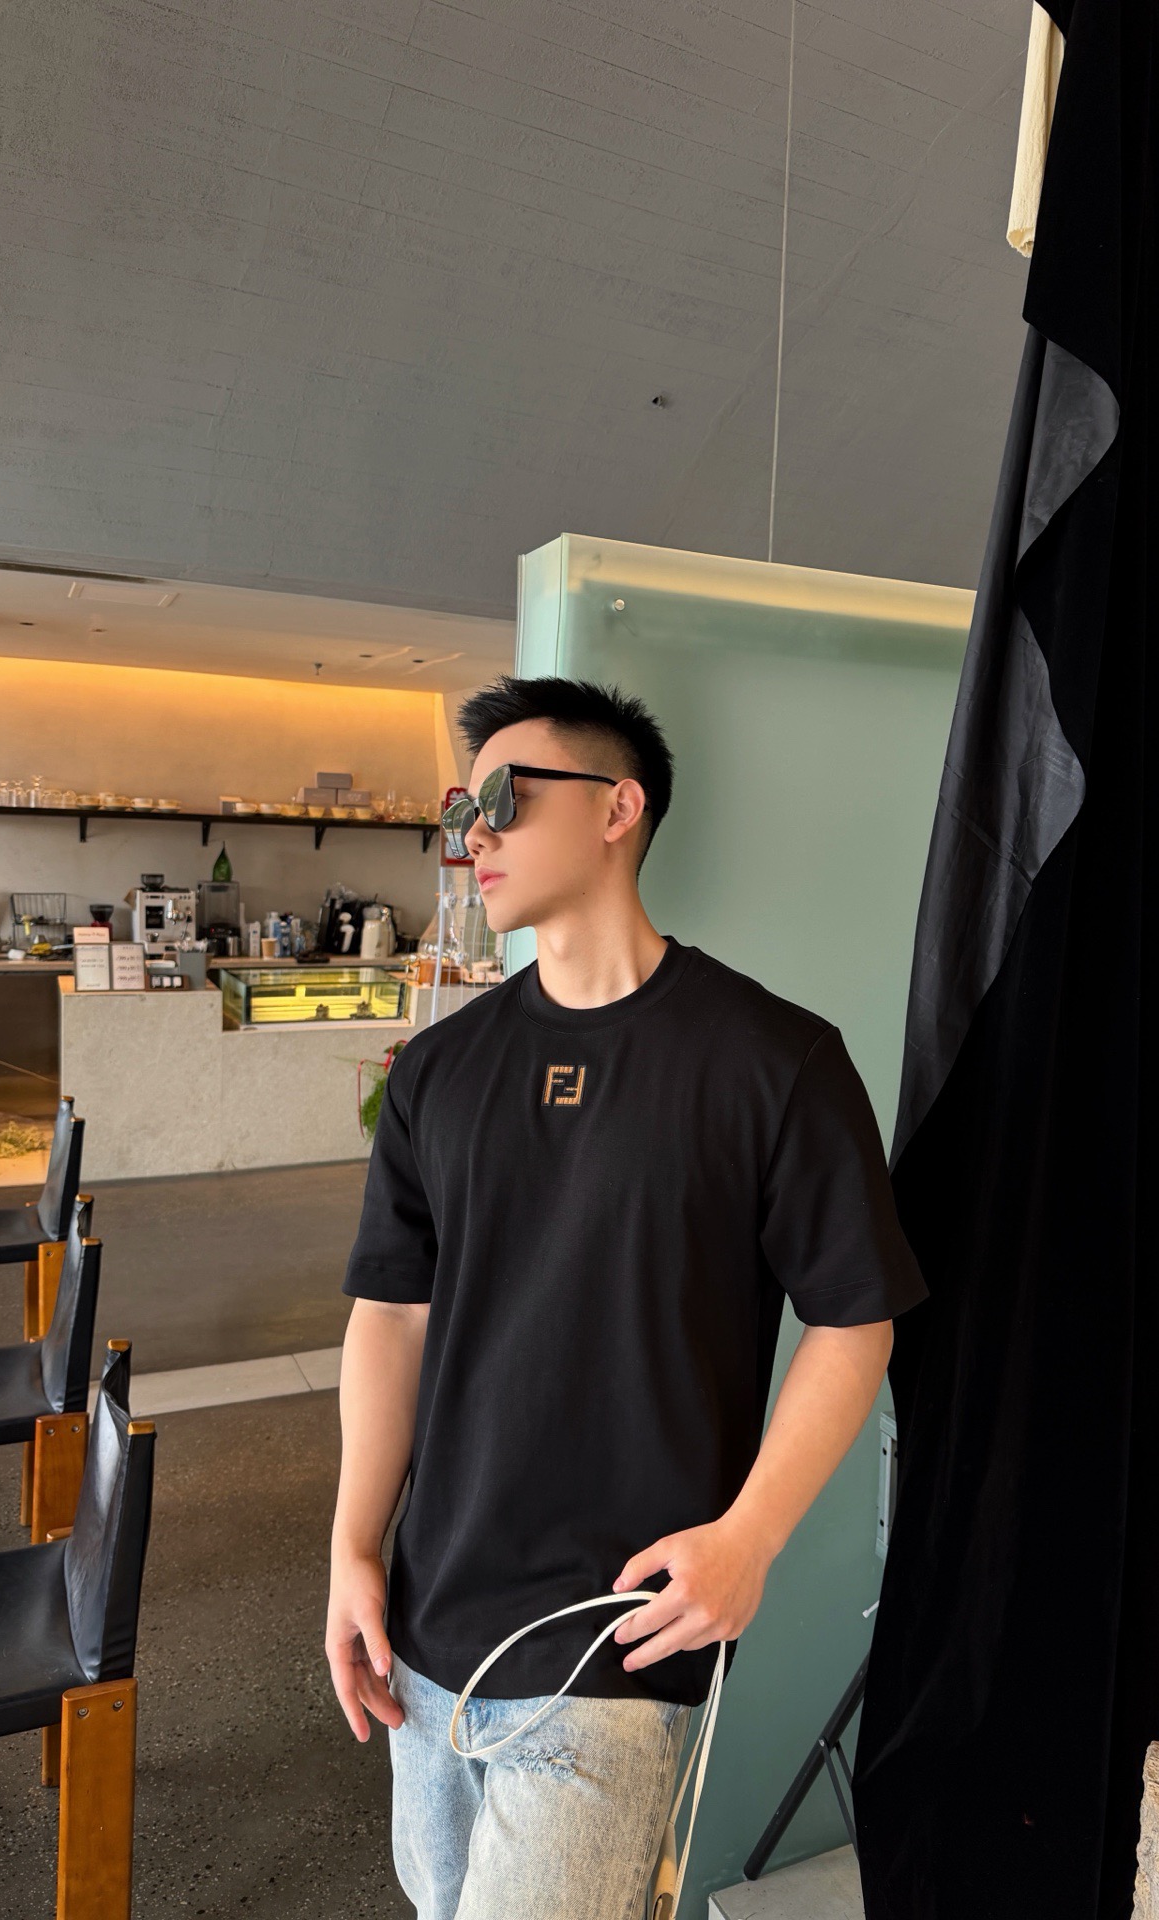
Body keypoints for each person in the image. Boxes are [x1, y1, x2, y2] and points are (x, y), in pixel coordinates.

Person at [327, 675, 928, 1920]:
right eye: (460, 809)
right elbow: (391, 1314)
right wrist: (351, 1548)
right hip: (427, 1629)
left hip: (616, 1640)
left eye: (503, 798)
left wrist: (750, 1537)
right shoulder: (439, 1072)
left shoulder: (774, 1061)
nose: (474, 835)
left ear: (618, 808)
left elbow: (853, 1318)